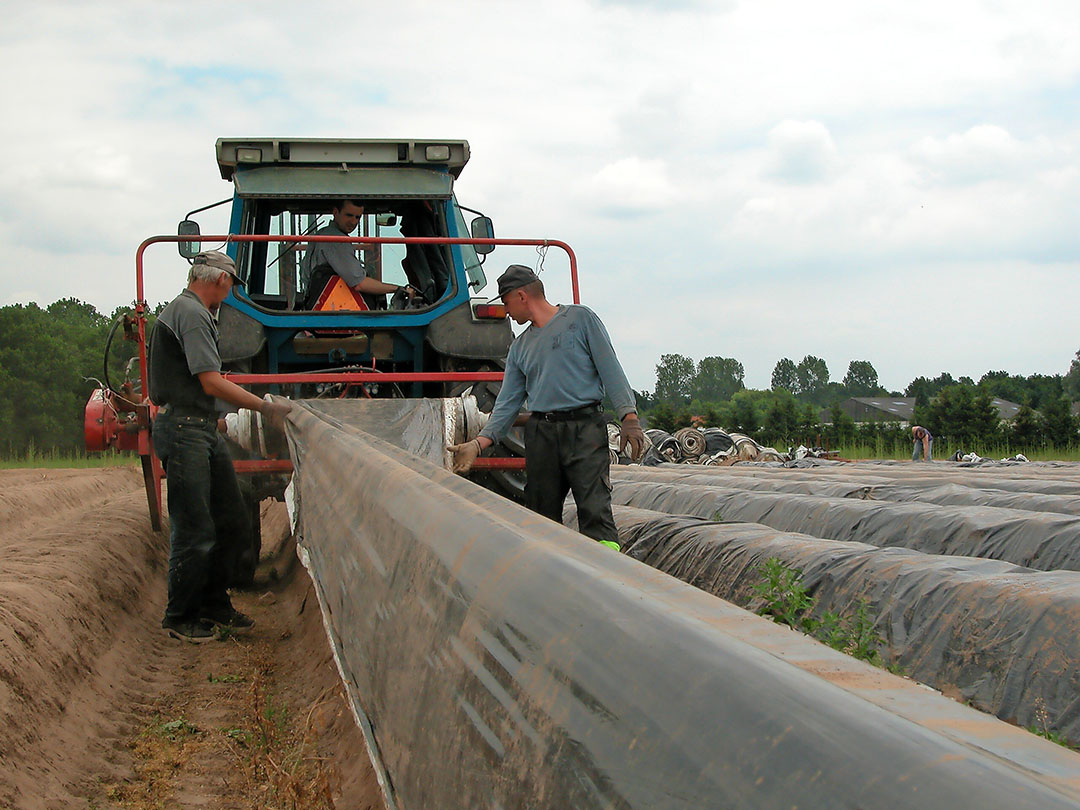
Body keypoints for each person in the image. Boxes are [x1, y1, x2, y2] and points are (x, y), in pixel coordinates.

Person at [149, 250, 293, 642]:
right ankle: (179, 617)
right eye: (230, 285)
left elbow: (204, 383)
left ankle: (213, 604)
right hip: (183, 430)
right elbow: (211, 381)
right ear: (219, 280)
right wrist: (265, 407)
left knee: (230, 518)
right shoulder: (192, 313)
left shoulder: (194, 312)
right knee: (194, 527)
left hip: (201, 428)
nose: (230, 293)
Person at [448, 265, 646, 550]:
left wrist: (629, 417)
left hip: (585, 430)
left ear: (521, 296)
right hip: (542, 434)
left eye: (505, 302)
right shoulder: (520, 347)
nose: (506, 311)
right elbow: (506, 403)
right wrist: (479, 444)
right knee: (540, 514)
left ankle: (608, 574)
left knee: (594, 510)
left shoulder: (580, 320)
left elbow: (610, 368)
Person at [300, 200, 417, 309]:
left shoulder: (321, 234)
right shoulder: (337, 241)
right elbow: (359, 283)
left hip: (319, 306)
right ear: (336, 212)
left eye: (358, 217)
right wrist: (398, 289)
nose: (354, 222)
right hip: (336, 309)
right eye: (349, 215)